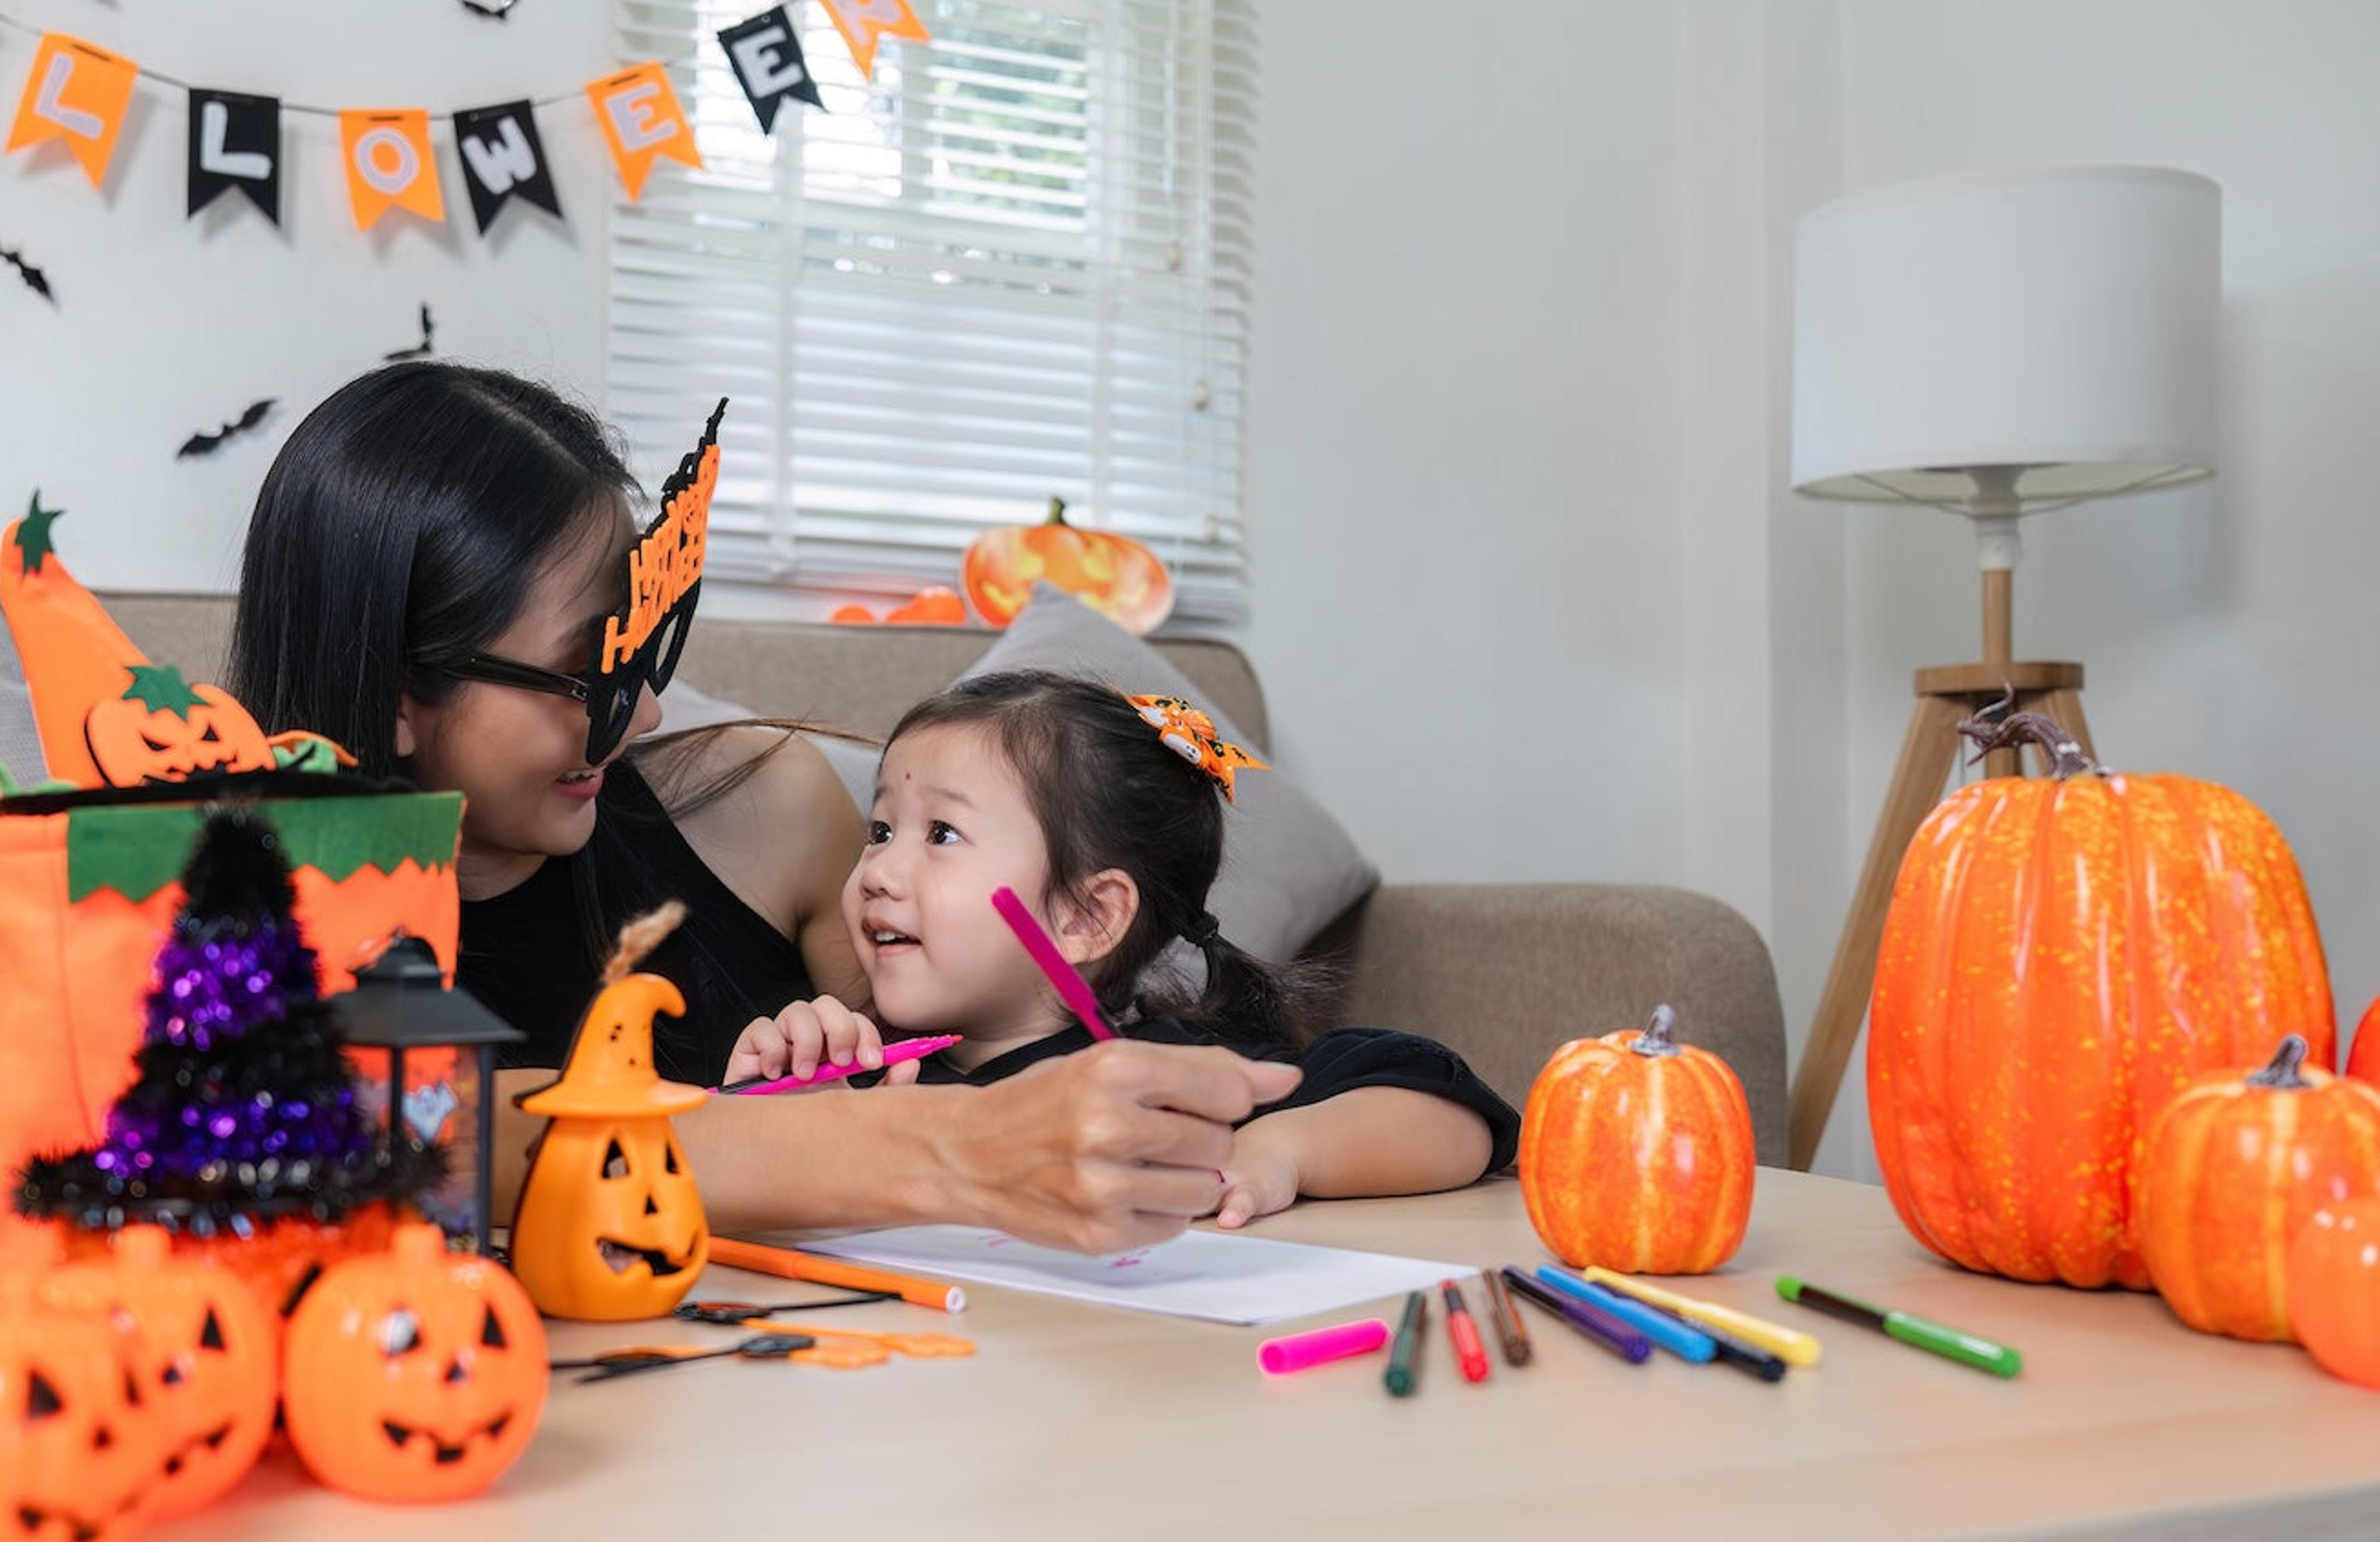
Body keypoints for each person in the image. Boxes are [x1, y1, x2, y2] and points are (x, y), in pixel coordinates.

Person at [232, 363, 1299, 1252]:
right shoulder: (239, 925)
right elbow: (440, 1134)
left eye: (642, 648)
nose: (645, 710)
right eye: (588, 671)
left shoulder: (764, 808)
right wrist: (954, 1146)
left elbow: (988, 1049)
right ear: (401, 690)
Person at [727, 670, 1518, 1227]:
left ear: (1085, 916)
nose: (878, 873)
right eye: (879, 831)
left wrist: (1284, 1151)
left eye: (941, 834)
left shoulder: (1174, 1080)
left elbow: (1453, 1114)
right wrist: (781, 1118)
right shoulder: (861, 1078)